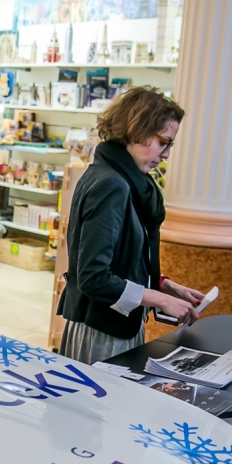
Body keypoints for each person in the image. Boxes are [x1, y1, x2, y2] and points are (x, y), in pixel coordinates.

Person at [57, 86, 205, 364]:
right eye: (162, 142)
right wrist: (160, 300)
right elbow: (93, 277)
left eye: (170, 145)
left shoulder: (124, 179)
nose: (166, 154)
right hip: (102, 329)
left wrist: (163, 285)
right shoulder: (112, 184)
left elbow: (123, 257)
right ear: (137, 131)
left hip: (114, 324)